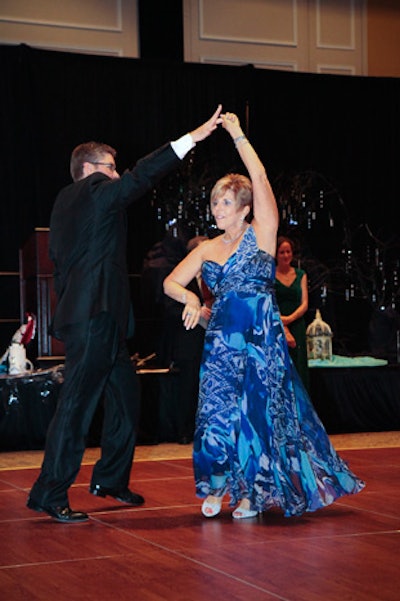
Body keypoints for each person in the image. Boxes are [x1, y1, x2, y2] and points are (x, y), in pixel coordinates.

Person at [163, 111, 365, 520]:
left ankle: (252, 495)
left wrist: (238, 136)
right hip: (220, 343)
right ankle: (217, 488)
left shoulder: (263, 233)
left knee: (255, 417)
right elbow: (169, 282)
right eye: (213, 202)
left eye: (223, 202)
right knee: (216, 416)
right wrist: (189, 300)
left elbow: (261, 178)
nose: (216, 208)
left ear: (243, 207)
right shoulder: (206, 249)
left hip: (260, 341)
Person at [26, 105, 223, 523]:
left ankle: (110, 479)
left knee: (125, 399)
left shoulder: (66, 202)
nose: (117, 174)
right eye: (111, 167)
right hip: (94, 317)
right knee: (76, 405)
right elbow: (141, 176)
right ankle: (49, 491)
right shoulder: (95, 191)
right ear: (91, 170)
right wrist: (191, 138)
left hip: (103, 318)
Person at [275, 236, 310, 390]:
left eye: (288, 252)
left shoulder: (301, 274)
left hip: (296, 323)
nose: (286, 255)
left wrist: (289, 319)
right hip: (276, 323)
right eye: (282, 252)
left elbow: (304, 304)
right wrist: (281, 321)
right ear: (276, 254)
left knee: (299, 364)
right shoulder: (270, 275)